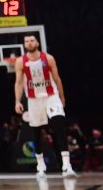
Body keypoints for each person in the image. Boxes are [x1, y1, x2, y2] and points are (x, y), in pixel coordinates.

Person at [14, 34, 76, 176]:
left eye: (32, 40)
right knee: (36, 132)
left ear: (37, 43)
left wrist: (62, 96)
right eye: (26, 41)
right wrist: (17, 101)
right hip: (33, 99)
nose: (29, 43)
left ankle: (67, 165)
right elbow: (18, 83)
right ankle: (40, 166)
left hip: (51, 96)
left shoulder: (48, 58)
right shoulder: (20, 61)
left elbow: (57, 78)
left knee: (59, 126)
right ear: (24, 45)